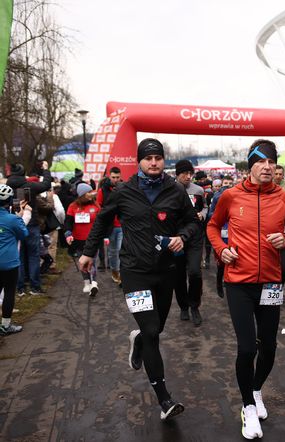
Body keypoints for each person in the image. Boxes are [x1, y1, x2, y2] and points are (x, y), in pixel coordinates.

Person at [79, 138, 198, 421]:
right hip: (134, 271)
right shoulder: (123, 191)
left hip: (167, 271)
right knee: (153, 331)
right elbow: (101, 222)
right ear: (140, 161)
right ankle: (165, 399)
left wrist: (183, 237)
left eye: (158, 157)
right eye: (148, 158)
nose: (154, 162)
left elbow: (193, 221)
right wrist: (87, 252)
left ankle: (139, 340)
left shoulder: (176, 190)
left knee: (154, 330)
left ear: (163, 160)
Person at [207, 139, 285, 440]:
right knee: (247, 347)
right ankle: (248, 407)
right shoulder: (230, 196)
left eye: (272, 163)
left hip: (271, 283)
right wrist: (221, 250)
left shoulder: (284, 199)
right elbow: (212, 226)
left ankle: (256, 389)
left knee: (269, 346)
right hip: (238, 282)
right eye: (260, 162)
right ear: (250, 165)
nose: (267, 168)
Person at [6, 161, 53, 296]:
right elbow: (46, 184)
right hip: (31, 224)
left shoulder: (7, 187)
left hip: (14, 225)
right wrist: (45, 170)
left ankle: (20, 288)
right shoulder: (30, 186)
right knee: (33, 256)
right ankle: (35, 287)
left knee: (18, 257)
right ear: (23, 173)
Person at [173, 159, 207, 327]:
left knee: (194, 272)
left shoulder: (198, 190)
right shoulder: (170, 190)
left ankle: (195, 306)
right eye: (184, 173)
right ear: (177, 174)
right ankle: (183, 306)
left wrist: (203, 214)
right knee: (178, 275)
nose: (187, 177)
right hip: (176, 238)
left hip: (195, 236)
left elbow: (205, 206)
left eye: (190, 174)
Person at [0, 184, 29, 335]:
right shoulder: (12, 219)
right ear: (10, 201)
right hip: (8, 263)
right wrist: (19, 217)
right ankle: (5, 325)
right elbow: (24, 234)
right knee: (9, 292)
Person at [65, 183, 102, 296]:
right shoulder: (73, 206)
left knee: (93, 261)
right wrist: (68, 234)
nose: (92, 194)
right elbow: (68, 223)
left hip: (93, 240)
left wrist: (104, 236)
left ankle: (94, 283)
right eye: (89, 192)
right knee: (83, 262)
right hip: (78, 240)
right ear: (83, 194)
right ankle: (86, 283)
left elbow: (101, 222)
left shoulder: (96, 206)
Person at [97, 167, 123, 284]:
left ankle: (122, 273)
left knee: (121, 250)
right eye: (113, 177)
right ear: (109, 176)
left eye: (118, 177)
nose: (116, 180)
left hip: (122, 225)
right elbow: (99, 207)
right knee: (112, 251)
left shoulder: (124, 188)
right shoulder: (103, 190)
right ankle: (114, 271)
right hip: (110, 226)